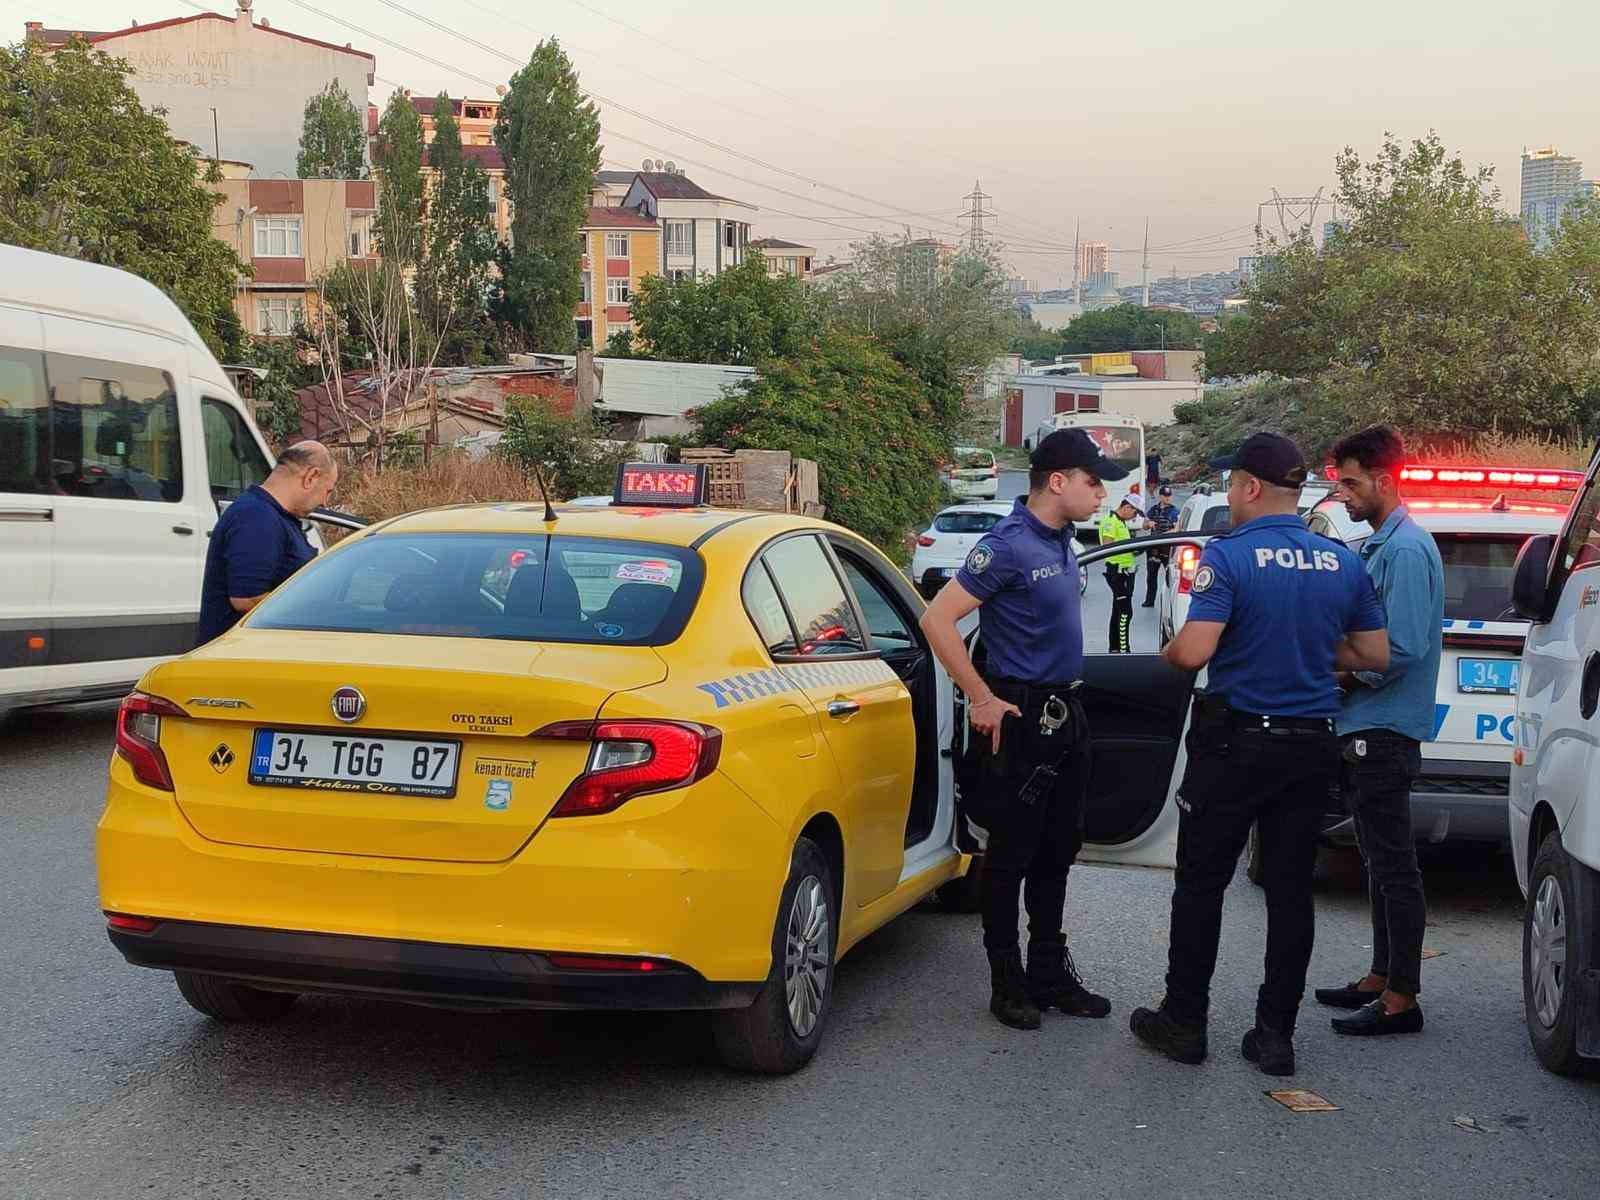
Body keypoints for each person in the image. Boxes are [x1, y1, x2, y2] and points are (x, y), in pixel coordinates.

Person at [1129, 432, 1389, 1076]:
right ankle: (1275, 1036)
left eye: (1230, 485)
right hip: (1310, 747)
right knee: (1290, 890)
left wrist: (1167, 655)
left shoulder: (1231, 556)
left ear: (1247, 488)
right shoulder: (1341, 560)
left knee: (1202, 884)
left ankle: (1184, 1021)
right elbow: (1374, 656)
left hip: (1236, 743)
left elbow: (1191, 652)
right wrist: (1301, 653)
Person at [919, 430, 1125, 1030]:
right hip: (1021, 715)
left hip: (1066, 712)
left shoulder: (1062, 540)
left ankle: (1048, 972)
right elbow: (938, 618)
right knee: (1011, 854)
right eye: (1094, 482)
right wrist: (980, 696)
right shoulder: (1007, 545)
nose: (1101, 495)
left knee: (1060, 848)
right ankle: (1007, 981)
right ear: (1057, 480)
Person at [1314, 426, 1442, 1037]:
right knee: (1374, 857)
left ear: (1386, 480)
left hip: (1385, 728)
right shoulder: (1380, 545)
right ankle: (1380, 974)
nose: (1342, 495)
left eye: (1352, 483)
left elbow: (1406, 647)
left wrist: (1342, 676)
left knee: (1394, 864)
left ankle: (1401, 998)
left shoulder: (1407, 551)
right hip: (1366, 725)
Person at [197, 441, 338, 645]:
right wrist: (314, 613)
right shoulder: (256, 517)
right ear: (311, 477)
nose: (325, 502)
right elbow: (246, 599)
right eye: (328, 491)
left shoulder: (273, 516)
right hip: (241, 660)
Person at [1099, 497, 1139, 653]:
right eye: (1134, 513)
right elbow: (1108, 547)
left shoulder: (1120, 522)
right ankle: (1124, 650)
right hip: (1117, 573)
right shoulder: (1110, 522)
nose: (1134, 517)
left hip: (1125, 573)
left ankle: (1114, 648)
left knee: (1117, 610)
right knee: (1125, 612)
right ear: (1127, 507)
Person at [1143, 485, 1180, 608]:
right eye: (1165, 495)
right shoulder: (1153, 510)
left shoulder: (1174, 512)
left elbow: (1177, 529)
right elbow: (1144, 525)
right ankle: (1149, 601)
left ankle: (1171, 602)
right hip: (1153, 547)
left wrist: (1164, 535)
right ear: (1160, 496)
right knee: (1151, 576)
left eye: (1169, 495)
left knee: (1170, 576)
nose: (1168, 498)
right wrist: (1149, 523)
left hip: (1167, 547)